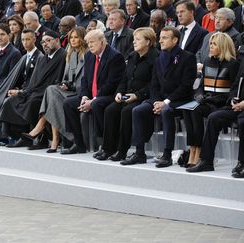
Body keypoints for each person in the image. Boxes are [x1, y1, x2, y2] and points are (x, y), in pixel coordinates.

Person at [121, 26, 196, 167]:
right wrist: (156, 101)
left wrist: (165, 102)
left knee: (166, 111)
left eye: (165, 38)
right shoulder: (159, 58)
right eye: (160, 37)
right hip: (160, 99)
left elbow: (185, 87)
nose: (160, 41)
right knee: (138, 110)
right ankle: (139, 153)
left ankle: (167, 154)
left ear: (175, 40)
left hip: (180, 100)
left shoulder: (188, 57)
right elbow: (154, 85)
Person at [96, 27, 159, 161]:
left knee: (127, 111)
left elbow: (153, 84)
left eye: (138, 39)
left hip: (145, 97)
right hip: (127, 95)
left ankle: (122, 150)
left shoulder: (155, 58)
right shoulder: (132, 56)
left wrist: (137, 95)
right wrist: (119, 92)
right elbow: (124, 79)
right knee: (111, 109)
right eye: (134, 39)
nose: (134, 42)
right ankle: (108, 148)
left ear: (148, 42)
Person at [21, 27, 87, 152]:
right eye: (71, 38)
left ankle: (43, 130)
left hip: (79, 92)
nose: (72, 40)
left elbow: (84, 81)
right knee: (51, 92)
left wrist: (69, 86)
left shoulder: (87, 55)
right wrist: (65, 84)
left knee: (50, 92)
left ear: (82, 39)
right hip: (70, 90)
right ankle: (54, 139)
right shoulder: (72, 54)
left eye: (76, 37)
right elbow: (67, 78)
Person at [61, 29, 126, 155]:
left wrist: (93, 100)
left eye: (92, 42)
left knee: (97, 104)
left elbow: (111, 84)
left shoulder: (115, 56)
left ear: (102, 42)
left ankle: (104, 144)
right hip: (92, 95)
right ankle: (79, 144)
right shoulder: (89, 55)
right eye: (88, 42)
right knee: (68, 103)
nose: (89, 45)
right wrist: (85, 96)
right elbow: (85, 79)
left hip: (109, 95)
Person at [0, 30, 66, 148]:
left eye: (48, 41)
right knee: (10, 101)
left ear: (57, 40)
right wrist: (21, 92)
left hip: (48, 93)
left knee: (33, 103)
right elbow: (34, 81)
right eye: (43, 42)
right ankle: (19, 136)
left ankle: (40, 139)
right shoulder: (43, 58)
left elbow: (58, 80)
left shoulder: (62, 56)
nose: (45, 44)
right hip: (35, 91)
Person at [184, 33, 239, 168]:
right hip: (206, 100)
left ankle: (199, 151)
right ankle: (193, 148)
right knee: (187, 107)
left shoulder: (233, 64)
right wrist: (199, 96)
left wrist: (212, 100)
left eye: (214, 44)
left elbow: (234, 89)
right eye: (210, 44)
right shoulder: (208, 61)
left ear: (223, 46)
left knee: (196, 110)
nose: (210, 47)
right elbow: (201, 86)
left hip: (220, 104)